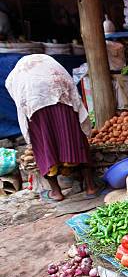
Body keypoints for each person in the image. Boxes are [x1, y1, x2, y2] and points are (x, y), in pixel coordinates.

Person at [6, 54, 101, 201]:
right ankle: (90, 187)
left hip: (36, 110)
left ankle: (56, 192)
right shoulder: (51, 66)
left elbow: (19, 102)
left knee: (44, 147)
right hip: (62, 100)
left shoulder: (17, 76)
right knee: (76, 140)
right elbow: (72, 90)